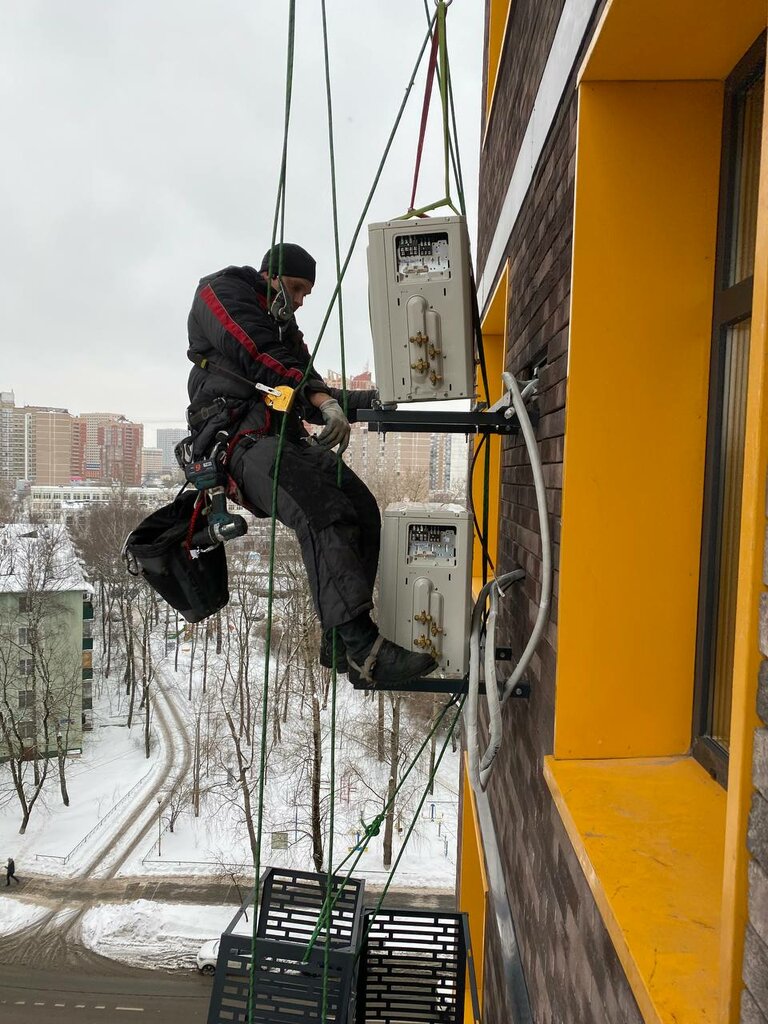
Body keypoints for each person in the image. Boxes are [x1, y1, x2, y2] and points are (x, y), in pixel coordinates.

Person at [186, 243, 437, 687]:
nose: (301, 301)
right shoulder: (221, 293)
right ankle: (364, 650)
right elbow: (261, 356)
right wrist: (322, 400)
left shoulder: (284, 325)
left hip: (281, 439)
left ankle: (338, 640)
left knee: (360, 507)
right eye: (297, 288)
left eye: (307, 294)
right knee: (321, 510)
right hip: (238, 444)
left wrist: (368, 401)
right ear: (271, 275)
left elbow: (307, 379)